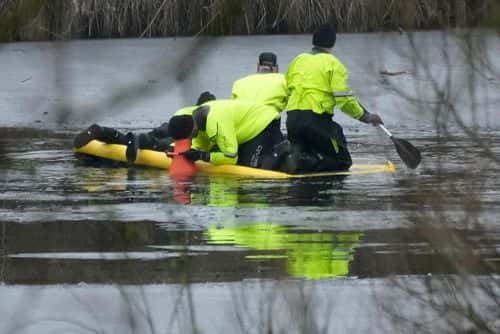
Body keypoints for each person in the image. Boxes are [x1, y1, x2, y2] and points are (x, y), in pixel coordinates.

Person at [284, 23, 383, 173]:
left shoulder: (298, 60)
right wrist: (365, 117)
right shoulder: (333, 64)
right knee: (343, 162)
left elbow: (287, 89)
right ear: (333, 42)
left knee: (305, 157)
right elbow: (344, 101)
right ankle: (302, 163)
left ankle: (297, 162)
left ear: (314, 41)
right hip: (315, 121)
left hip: (292, 121)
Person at [73, 91, 216, 162]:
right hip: (180, 135)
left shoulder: (188, 111)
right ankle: (142, 141)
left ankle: (104, 132)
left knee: (134, 140)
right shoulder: (210, 119)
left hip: (169, 127)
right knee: (158, 144)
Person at [179, 99, 283, 169]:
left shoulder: (215, 123)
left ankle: (283, 149)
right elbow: (200, 146)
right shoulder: (196, 120)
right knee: (238, 161)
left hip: (264, 123)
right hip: (246, 128)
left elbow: (231, 157)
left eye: (187, 137)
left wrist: (203, 156)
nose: (188, 140)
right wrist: (182, 153)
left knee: (250, 165)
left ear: (192, 129)